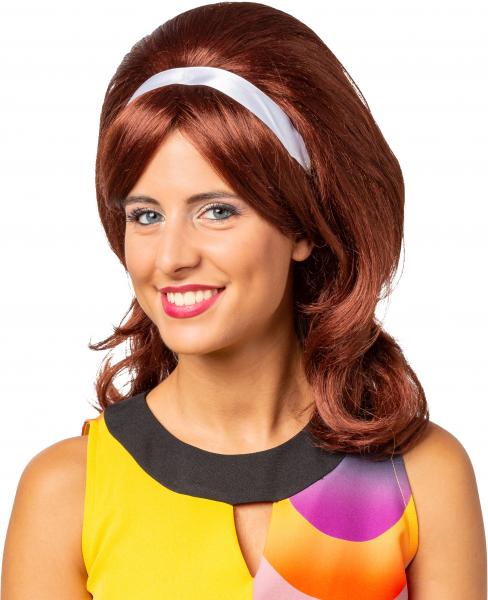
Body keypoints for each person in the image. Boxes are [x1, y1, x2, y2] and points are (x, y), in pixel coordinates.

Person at [1, 2, 486, 599]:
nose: (170, 257)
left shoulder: (421, 475)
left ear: (304, 226)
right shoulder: (65, 494)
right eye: (146, 215)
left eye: (217, 210)